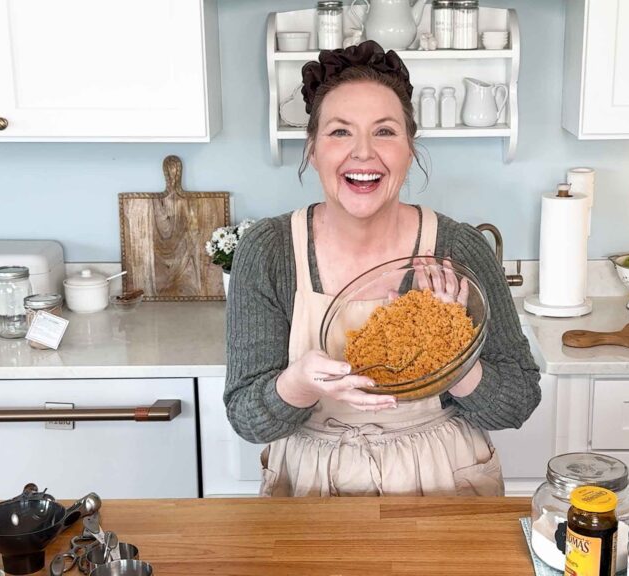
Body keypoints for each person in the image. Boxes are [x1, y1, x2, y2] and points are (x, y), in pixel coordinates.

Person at [225, 41, 541, 497]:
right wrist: (297, 383)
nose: (363, 153)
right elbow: (247, 418)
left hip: (443, 480)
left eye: (385, 132)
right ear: (312, 149)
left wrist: (451, 357)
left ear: (409, 149)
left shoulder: (459, 248)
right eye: (340, 132)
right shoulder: (269, 250)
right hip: (309, 487)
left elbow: (518, 402)